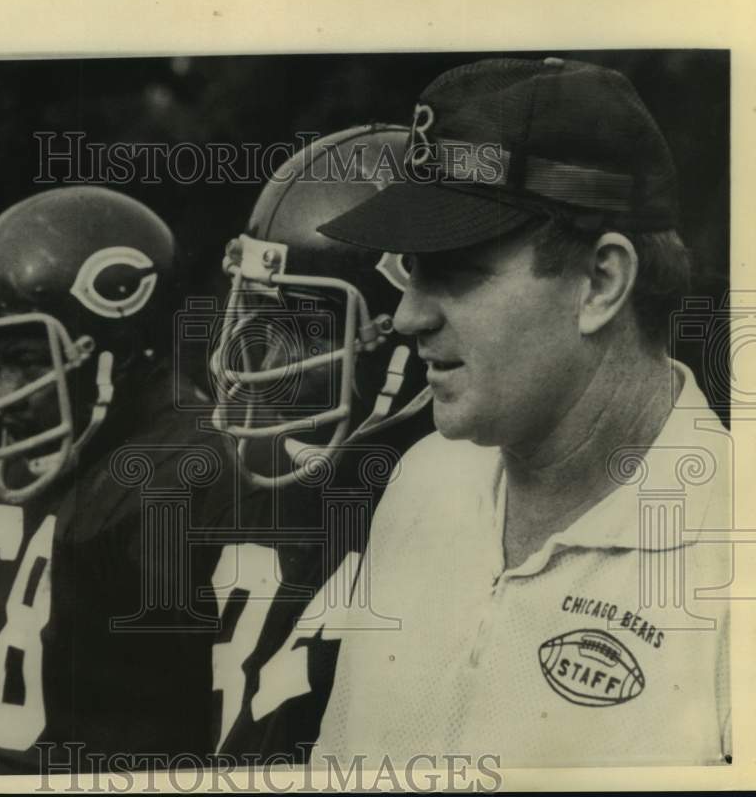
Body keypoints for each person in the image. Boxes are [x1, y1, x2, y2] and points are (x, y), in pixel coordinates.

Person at [312, 57, 732, 767]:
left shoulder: (733, 548)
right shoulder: (423, 482)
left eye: (456, 270)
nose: (407, 315)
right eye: (410, 270)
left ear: (601, 282)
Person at [0, 186, 227, 774]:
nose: (4, 396)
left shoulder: (187, 477)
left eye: (26, 359)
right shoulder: (33, 451)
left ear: (119, 350)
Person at [203, 125, 434, 762]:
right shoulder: (257, 482)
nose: (263, 362)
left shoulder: (458, 504)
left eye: (306, 329)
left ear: (403, 328)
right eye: (259, 319)